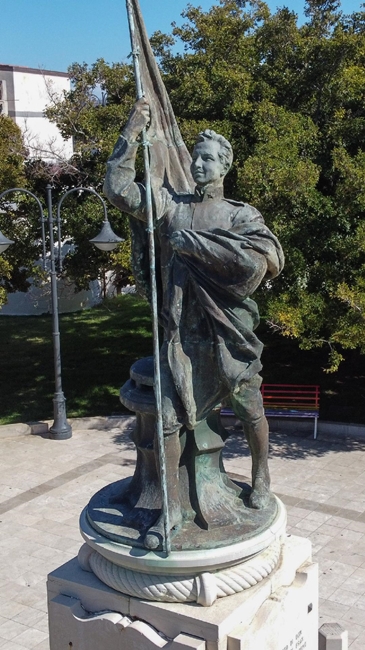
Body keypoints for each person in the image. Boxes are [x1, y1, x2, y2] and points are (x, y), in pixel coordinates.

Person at [104, 98, 284, 549]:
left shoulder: (241, 215)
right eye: (195, 157)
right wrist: (131, 134)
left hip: (228, 335)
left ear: (225, 166)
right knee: (166, 418)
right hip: (181, 338)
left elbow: (265, 262)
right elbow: (118, 189)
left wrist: (200, 248)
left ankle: (261, 477)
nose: (199, 164)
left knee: (249, 408)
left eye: (208, 159)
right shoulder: (170, 206)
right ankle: (172, 509)